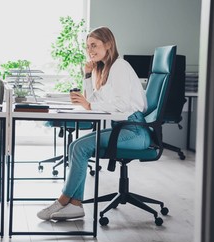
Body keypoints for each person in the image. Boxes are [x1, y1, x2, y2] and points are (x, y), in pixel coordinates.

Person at [37, 26, 151, 221]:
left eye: (94, 45)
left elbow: (121, 105)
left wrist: (89, 104)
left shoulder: (120, 67)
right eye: (87, 46)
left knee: (80, 147)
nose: (90, 50)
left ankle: (64, 200)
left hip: (135, 131)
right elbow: (93, 100)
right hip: (121, 128)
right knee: (75, 145)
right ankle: (75, 204)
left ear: (108, 44)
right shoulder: (105, 69)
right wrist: (88, 76)